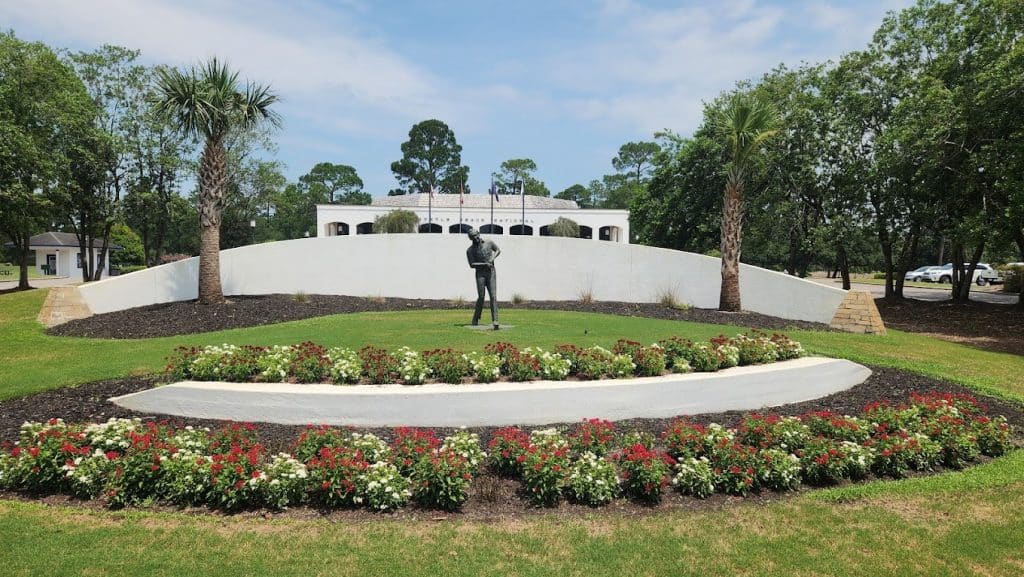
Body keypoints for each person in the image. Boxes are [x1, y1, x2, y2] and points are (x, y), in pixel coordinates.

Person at [466, 229, 501, 329]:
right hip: (480, 274)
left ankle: (495, 320)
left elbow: (498, 250)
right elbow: (472, 264)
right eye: (472, 237)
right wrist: (484, 264)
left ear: (478, 234)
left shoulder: (489, 242)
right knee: (481, 297)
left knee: (493, 296)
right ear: (470, 238)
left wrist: (492, 258)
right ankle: (476, 317)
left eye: (476, 235)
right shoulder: (470, 250)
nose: (475, 238)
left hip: (491, 273)